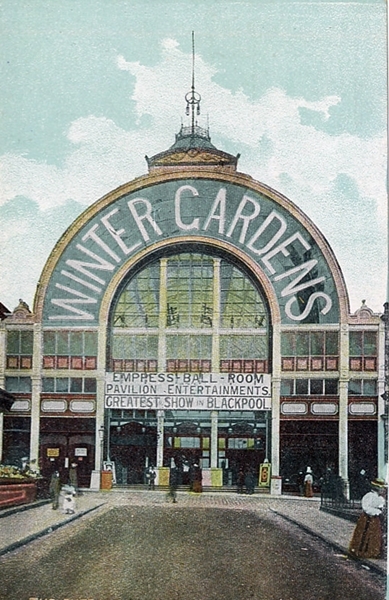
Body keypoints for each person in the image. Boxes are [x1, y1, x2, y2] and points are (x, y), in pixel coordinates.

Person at [349, 478, 386, 559]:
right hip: (367, 518)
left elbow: (381, 507)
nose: (382, 490)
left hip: (376, 519)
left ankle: (374, 551)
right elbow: (366, 508)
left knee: (375, 534)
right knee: (364, 533)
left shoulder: (380, 498)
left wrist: (380, 511)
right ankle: (362, 550)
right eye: (381, 488)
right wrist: (376, 512)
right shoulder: (369, 496)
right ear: (377, 488)